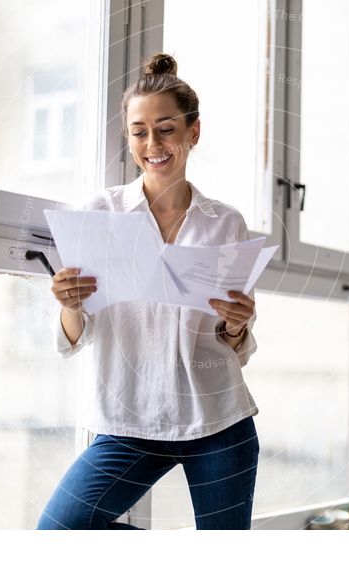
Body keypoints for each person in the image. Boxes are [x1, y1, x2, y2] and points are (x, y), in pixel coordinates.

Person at [35, 53, 261, 530]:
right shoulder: (102, 211)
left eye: (166, 129)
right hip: (129, 419)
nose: (152, 143)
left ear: (192, 133)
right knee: (58, 532)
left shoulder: (226, 221)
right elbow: (76, 335)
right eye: (139, 131)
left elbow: (235, 344)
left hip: (219, 421)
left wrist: (238, 324)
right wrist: (69, 304)